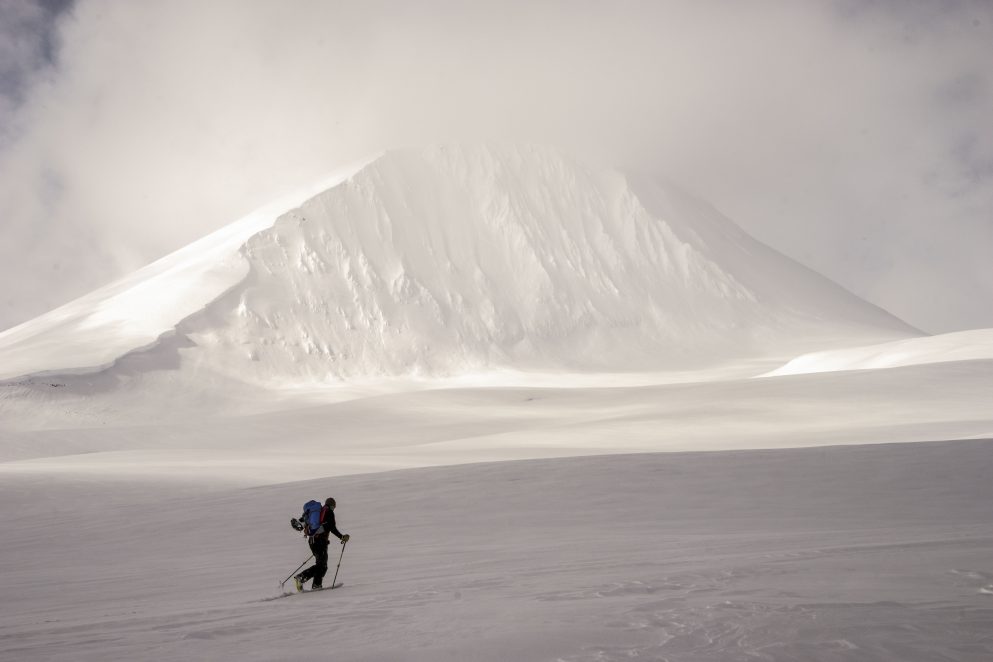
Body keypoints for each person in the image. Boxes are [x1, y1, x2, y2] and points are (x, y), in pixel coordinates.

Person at [295, 497, 349, 591]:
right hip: (319, 542)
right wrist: (342, 537)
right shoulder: (328, 512)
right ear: (333, 505)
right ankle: (303, 578)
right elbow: (331, 527)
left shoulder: (319, 512)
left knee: (321, 565)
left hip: (312, 541)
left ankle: (316, 584)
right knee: (322, 565)